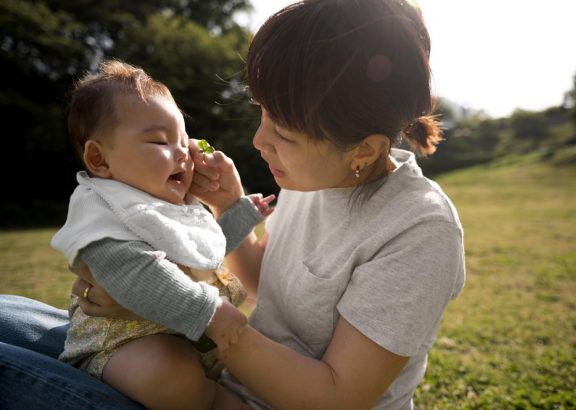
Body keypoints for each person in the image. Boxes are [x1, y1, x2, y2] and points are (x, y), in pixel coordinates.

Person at [0, 1, 465, 409]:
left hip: (206, 389)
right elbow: (274, 289)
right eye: (262, 112)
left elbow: (336, 398)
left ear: (364, 150)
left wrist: (183, 310)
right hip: (207, 370)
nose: (259, 140)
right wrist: (229, 206)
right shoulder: (320, 176)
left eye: (283, 134)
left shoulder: (419, 229)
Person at [49, 59, 273, 410]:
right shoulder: (103, 210)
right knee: (170, 375)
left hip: (189, 342)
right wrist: (208, 311)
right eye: (159, 141)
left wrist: (239, 213)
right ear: (99, 159)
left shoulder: (170, 203)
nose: (183, 154)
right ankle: (210, 397)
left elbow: (200, 252)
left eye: (184, 141)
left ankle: (216, 394)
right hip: (121, 347)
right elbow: (135, 273)